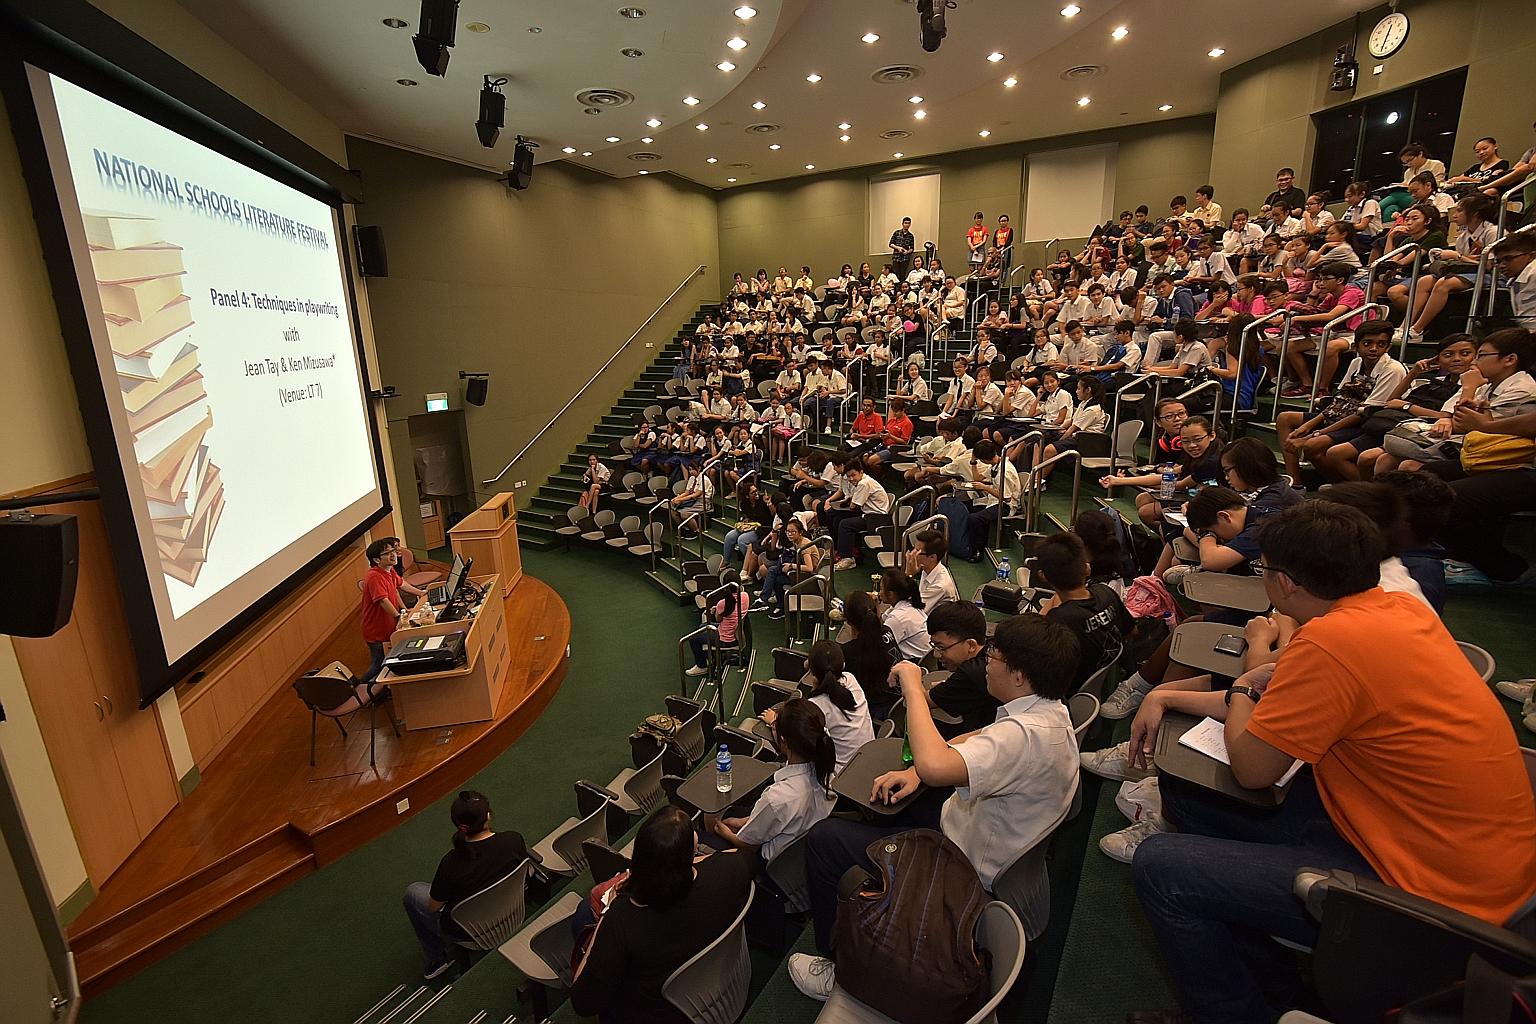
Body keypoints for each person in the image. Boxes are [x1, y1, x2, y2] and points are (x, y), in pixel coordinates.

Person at [1128, 501, 1536, 1024]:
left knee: (1161, 868)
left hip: (1430, 892)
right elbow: (1266, 688)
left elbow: (1254, 765)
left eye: (1264, 569)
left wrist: (1237, 693)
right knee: (1189, 796)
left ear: (1288, 584)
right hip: (1442, 844)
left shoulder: (1332, 642)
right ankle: (1276, 997)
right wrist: (1171, 698)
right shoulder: (1391, 609)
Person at [788, 615, 1081, 997]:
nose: (987, 659)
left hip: (965, 866)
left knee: (825, 839)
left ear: (1020, 675)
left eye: (995, 653)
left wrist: (912, 686)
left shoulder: (1023, 737)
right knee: (900, 800)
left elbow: (948, 757)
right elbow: (980, 739)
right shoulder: (1049, 713)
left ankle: (841, 967)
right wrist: (919, 774)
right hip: (981, 836)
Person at [569, 807, 753, 1023]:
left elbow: (583, 1003)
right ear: (692, 851)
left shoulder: (622, 921)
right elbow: (739, 857)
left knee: (583, 915)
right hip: (726, 991)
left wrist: (608, 913)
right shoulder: (731, 870)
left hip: (664, 1014)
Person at [403, 791, 528, 981]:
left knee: (413, 893)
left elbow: (434, 907)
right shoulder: (513, 840)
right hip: (514, 913)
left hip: (471, 933)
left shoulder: (450, 863)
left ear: (458, 825)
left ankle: (438, 960)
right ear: (488, 816)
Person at [706, 697, 837, 863]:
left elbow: (748, 845)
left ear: (783, 741)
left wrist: (725, 833)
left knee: (711, 825)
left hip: (770, 861)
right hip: (799, 845)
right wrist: (745, 821)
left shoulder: (777, 798)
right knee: (736, 815)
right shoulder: (825, 767)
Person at [1276, 321, 1406, 481]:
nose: (1374, 348)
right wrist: (1309, 424)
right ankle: (1294, 483)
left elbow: (1364, 413)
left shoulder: (1393, 370)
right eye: (1367, 343)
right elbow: (1340, 399)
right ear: (1356, 346)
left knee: (1311, 446)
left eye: (1381, 344)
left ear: (1388, 347)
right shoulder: (1356, 363)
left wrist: (1316, 433)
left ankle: (1343, 485)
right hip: (1343, 414)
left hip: (1366, 423)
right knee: (1284, 418)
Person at [1036, 533, 1132, 686]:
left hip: (1070, 690)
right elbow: (1132, 631)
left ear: (1043, 576)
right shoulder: (1106, 592)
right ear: (1087, 568)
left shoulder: (1058, 621)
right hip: (1105, 681)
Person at [922, 600, 998, 737]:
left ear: (971, 645)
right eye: (934, 646)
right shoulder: (990, 650)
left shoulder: (971, 673)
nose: (936, 654)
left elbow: (920, 701)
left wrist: (908, 674)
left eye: (941, 647)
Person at [840, 590, 901, 718]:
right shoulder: (887, 631)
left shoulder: (847, 651)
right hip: (899, 701)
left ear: (848, 621)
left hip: (874, 711)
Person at [360, 538, 408, 685]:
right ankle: (359, 687)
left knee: (386, 660)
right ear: (376, 559)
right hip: (376, 630)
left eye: (393, 551)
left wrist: (422, 593)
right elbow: (383, 601)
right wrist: (399, 616)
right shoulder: (374, 576)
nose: (393, 555)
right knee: (378, 664)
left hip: (388, 626)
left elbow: (401, 586)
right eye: (387, 553)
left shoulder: (389, 570)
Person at [879, 569, 930, 661]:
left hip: (914, 663)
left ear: (890, 594)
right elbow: (882, 620)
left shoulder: (898, 618)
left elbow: (879, 646)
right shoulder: (908, 604)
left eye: (881, 589)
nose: (880, 593)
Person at [905, 528, 959, 607]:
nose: (912, 554)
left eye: (918, 551)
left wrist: (908, 574)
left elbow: (915, 609)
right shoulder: (926, 569)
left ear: (932, 557)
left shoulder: (939, 586)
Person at [889, 216, 915, 280]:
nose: (907, 225)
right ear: (902, 224)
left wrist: (907, 252)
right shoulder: (896, 233)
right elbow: (890, 244)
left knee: (902, 275)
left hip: (905, 258)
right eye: (905, 223)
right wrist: (898, 248)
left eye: (908, 223)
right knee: (895, 275)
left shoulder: (911, 236)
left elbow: (912, 248)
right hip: (896, 257)